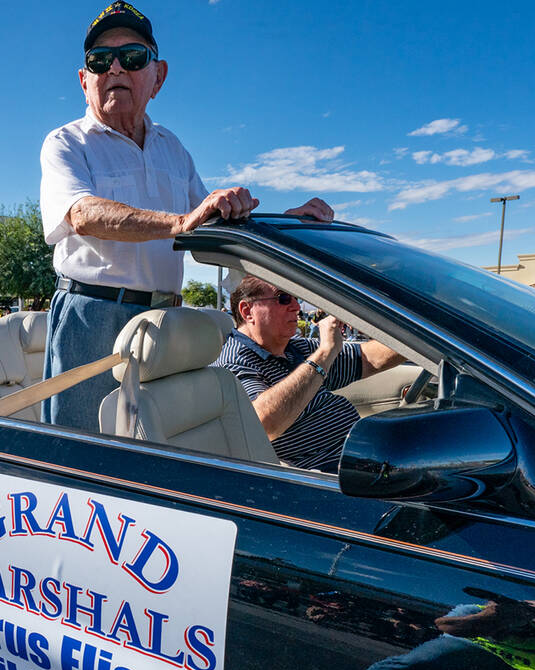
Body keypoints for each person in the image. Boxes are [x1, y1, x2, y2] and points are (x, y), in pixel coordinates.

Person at [40, 1, 332, 431]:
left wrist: (280, 227)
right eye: (101, 60)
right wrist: (179, 223)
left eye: (133, 57)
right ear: (85, 81)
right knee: (78, 450)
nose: (116, 68)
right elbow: (82, 214)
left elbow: (208, 228)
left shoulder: (172, 148)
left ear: (158, 76)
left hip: (164, 325)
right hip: (92, 315)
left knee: (155, 451)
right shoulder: (66, 143)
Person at [213, 275, 407, 472]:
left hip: (361, 456)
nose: (296, 307)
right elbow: (263, 424)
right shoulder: (234, 361)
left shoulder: (294, 348)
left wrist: (417, 340)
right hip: (329, 477)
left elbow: (368, 359)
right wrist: (324, 353)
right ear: (247, 311)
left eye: (296, 298)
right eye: (283, 298)